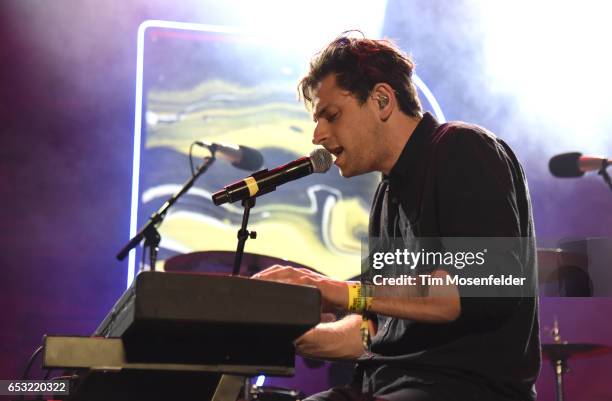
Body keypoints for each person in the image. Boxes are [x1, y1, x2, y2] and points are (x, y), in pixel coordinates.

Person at [252, 34, 540, 401]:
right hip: (384, 388)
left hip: (462, 389)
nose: (318, 134)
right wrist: (279, 333)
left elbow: (480, 287)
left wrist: (337, 291)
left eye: (332, 115)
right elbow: (376, 331)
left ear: (382, 100)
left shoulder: (462, 148)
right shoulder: (386, 196)